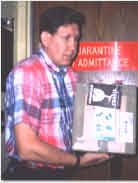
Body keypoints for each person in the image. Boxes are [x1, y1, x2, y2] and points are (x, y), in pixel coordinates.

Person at [4, 6, 110, 180]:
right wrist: (78, 161)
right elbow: (27, 147)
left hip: (63, 172)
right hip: (31, 175)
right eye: (66, 38)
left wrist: (129, 147)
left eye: (76, 39)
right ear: (46, 38)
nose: (73, 47)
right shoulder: (27, 74)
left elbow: (86, 126)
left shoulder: (71, 76)